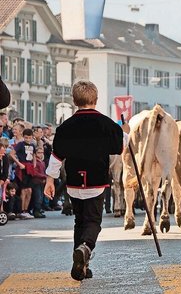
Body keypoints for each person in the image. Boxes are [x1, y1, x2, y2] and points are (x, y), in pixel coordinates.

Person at [44, 80, 128, 281]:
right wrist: (125, 133)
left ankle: (81, 265)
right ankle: (85, 247)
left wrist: (50, 180)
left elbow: (56, 157)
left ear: (74, 101)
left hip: (73, 182)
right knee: (93, 222)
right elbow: (120, 147)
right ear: (96, 100)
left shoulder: (65, 127)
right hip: (96, 182)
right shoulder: (107, 125)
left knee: (79, 221)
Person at [13, 128, 38, 218]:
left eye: (29, 137)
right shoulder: (20, 144)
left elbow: (34, 155)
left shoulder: (33, 145)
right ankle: (21, 210)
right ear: (23, 137)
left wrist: (34, 164)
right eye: (26, 137)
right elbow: (12, 154)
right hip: (22, 167)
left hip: (30, 168)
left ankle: (26, 210)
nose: (28, 139)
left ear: (32, 137)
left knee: (29, 190)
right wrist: (19, 164)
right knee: (23, 190)